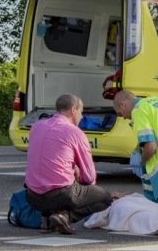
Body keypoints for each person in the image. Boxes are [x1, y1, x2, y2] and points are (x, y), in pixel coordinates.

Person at [24, 94, 113, 235]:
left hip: (32, 196)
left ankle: (46, 219)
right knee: (105, 198)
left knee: (48, 180)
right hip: (61, 194)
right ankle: (65, 217)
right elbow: (89, 177)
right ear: (73, 110)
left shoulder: (36, 127)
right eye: (81, 112)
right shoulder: (75, 132)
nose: (82, 117)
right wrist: (78, 177)